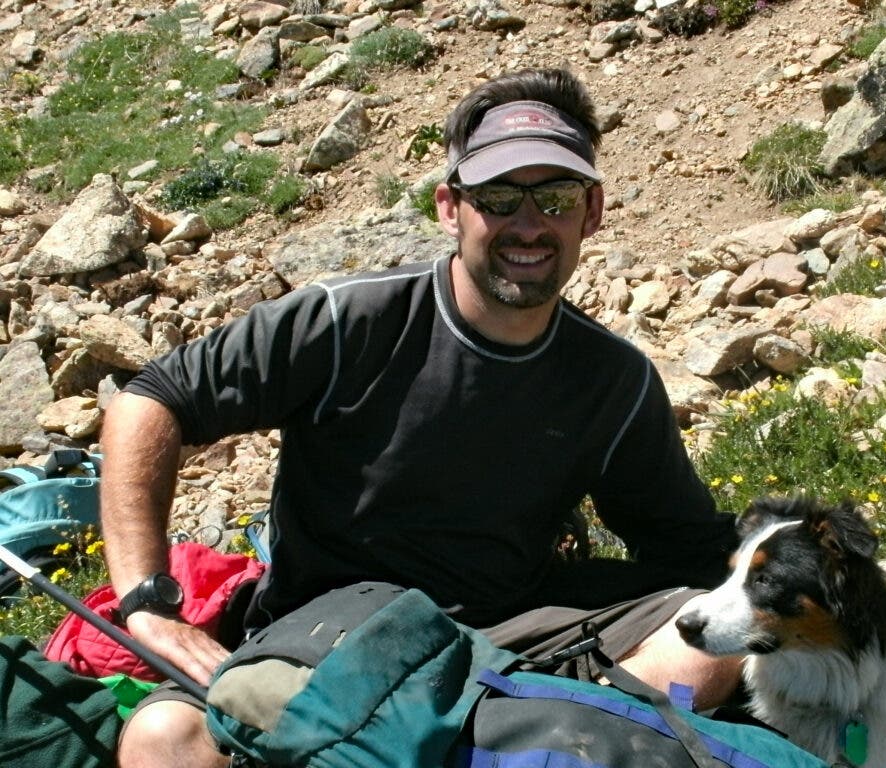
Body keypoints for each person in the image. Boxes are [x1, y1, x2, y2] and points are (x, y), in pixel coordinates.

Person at [101, 67, 750, 768]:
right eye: (499, 196)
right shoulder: (346, 321)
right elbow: (153, 399)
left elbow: (689, 546)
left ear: (590, 211)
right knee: (161, 742)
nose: (528, 224)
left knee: (710, 643)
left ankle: (502, 738)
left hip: (513, 637)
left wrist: (838, 632)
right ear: (451, 206)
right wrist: (146, 599)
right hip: (323, 633)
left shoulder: (613, 382)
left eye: (555, 196)